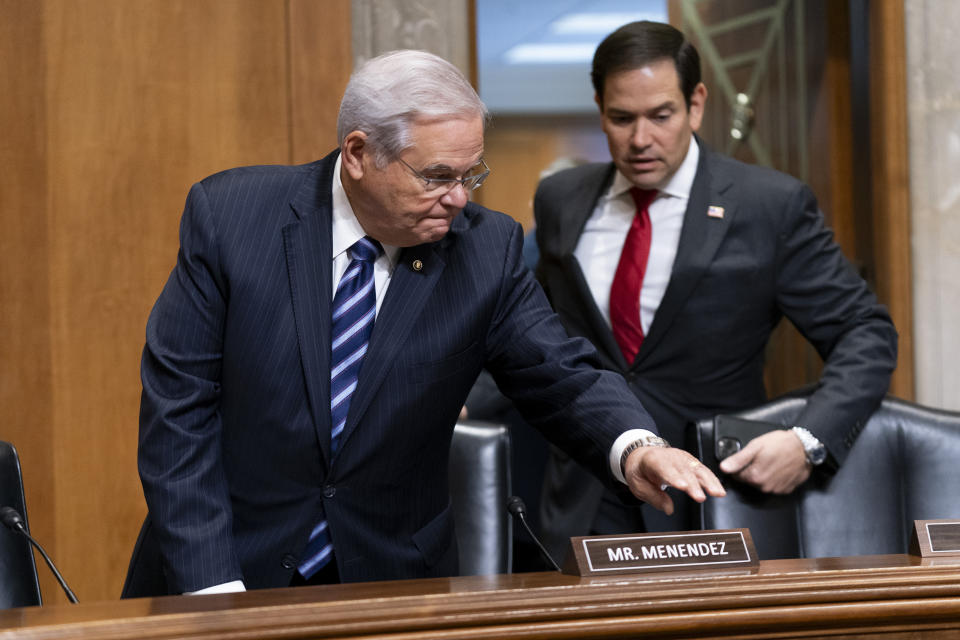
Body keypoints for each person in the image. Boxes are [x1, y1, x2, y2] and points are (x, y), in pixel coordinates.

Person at [131, 49, 725, 595]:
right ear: (359, 154)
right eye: (437, 177)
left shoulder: (484, 248)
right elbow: (179, 414)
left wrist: (636, 445)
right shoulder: (233, 218)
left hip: (392, 582)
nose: (461, 198)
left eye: (472, 174)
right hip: (221, 574)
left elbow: (559, 371)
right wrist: (214, 595)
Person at [534, 21, 898, 562]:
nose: (640, 140)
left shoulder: (768, 206)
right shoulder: (560, 199)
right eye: (621, 118)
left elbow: (864, 332)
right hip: (588, 494)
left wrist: (807, 439)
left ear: (696, 104)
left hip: (714, 496)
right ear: (599, 108)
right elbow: (543, 334)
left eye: (661, 116)